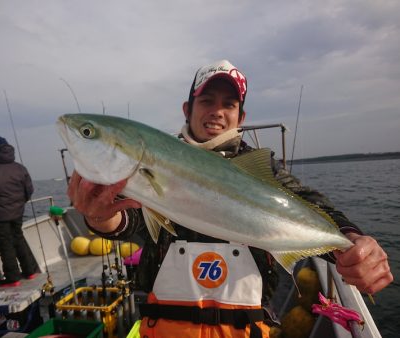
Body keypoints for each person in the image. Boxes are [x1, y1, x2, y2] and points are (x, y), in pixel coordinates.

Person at [67, 60, 393, 337]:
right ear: (188, 108)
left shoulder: (262, 169)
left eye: (229, 104)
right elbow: (127, 218)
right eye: (207, 100)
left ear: (241, 115)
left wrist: (352, 243)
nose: (217, 112)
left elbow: (313, 206)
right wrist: (98, 216)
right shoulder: (155, 157)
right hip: (163, 327)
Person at [0, 136, 38, 287]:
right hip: (17, 212)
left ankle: (12, 278)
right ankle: (29, 271)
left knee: (5, 244)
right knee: (18, 238)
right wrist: (19, 203)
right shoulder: (20, 168)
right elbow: (29, 190)